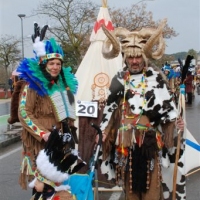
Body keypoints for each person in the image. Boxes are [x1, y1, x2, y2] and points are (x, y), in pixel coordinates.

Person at [97, 19, 185, 200]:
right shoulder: (119, 79)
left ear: (143, 58)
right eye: (130, 57)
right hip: (125, 147)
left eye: (138, 57)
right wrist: (104, 132)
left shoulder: (155, 79)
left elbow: (169, 113)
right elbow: (110, 112)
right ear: (125, 58)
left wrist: (176, 124)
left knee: (151, 191)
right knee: (131, 192)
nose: (134, 61)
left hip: (150, 147)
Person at [8, 22, 78, 190]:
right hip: (39, 141)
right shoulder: (31, 85)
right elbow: (24, 113)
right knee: (42, 186)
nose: (55, 67)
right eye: (51, 64)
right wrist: (43, 134)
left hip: (59, 139)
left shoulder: (62, 86)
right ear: (44, 65)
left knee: (59, 184)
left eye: (58, 64)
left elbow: (68, 114)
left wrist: (70, 133)